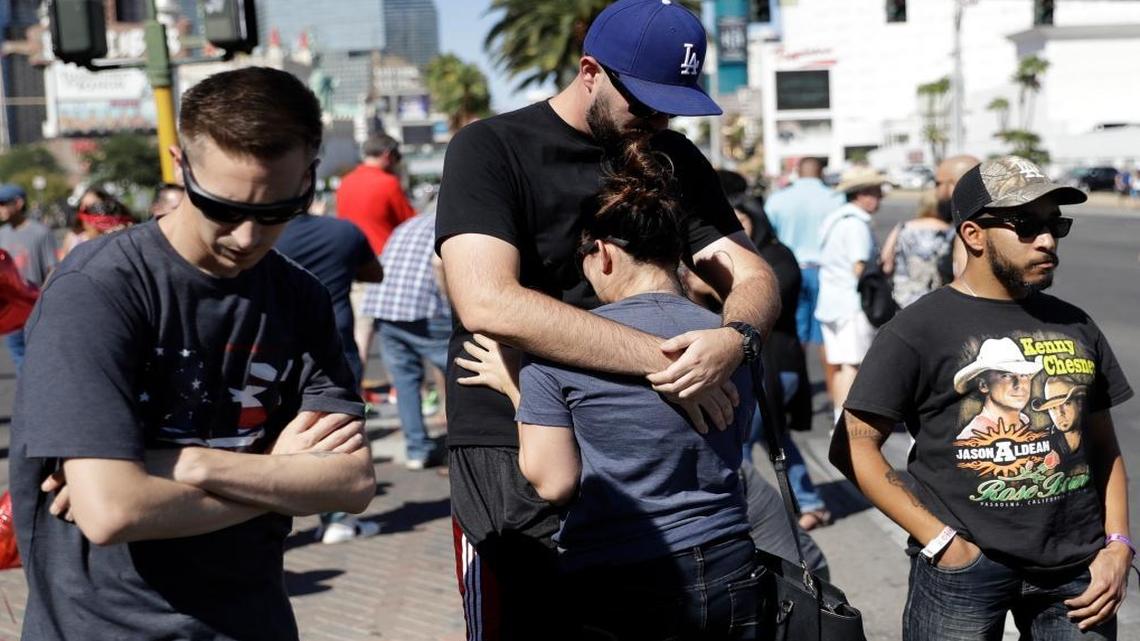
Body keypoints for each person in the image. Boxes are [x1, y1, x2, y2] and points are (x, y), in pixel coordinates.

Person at [435, 1, 780, 637]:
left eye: (672, 104)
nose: (659, 121)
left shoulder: (671, 156)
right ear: (591, 71)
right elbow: (487, 301)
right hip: (512, 437)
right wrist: (670, 361)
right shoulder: (491, 148)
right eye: (644, 105)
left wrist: (737, 339)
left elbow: (752, 275)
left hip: (638, 443)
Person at [10, 66, 376, 640]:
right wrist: (282, 480)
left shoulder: (297, 295)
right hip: (104, 626)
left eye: (278, 210)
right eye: (224, 208)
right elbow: (112, 512)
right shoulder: (100, 287)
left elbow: (350, 484)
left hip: (253, 620)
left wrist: (192, 465)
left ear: (310, 174)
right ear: (180, 165)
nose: (248, 237)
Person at [454, 141, 763, 638]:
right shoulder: (726, 342)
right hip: (731, 559)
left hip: (623, 576)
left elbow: (552, 481)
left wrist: (516, 389)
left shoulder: (558, 352)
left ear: (602, 254)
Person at [830, 155, 1133, 640]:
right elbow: (854, 443)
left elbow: (1104, 447)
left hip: (1076, 569)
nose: (1047, 240)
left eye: (1055, 224)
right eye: (1026, 225)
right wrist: (943, 543)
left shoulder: (1075, 323)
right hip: (963, 572)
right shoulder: (917, 329)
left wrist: (1118, 546)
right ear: (973, 234)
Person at [716, 170, 830, 531]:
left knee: (746, 441)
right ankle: (810, 503)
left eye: (742, 220)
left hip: (778, 365)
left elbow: (770, 303)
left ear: (755, 218)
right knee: (773, 437)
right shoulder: (732, 259)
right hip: (752, 365)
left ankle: (749, 514)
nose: (735, 228)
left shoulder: (775, 257)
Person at [274, 194, 385, 544]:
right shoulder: (343, 232)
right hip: (334, 340)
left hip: (279, 345)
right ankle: (336, 519)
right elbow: (374, 273)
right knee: (336, 433)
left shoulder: (270, 236)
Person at [362, 204, 450, 470]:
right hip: (422, 310)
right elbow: (439, 265)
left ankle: (416, 450)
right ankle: (470, 443)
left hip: (384, 306)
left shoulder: (407, 225)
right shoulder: (452, 223)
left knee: (405, 382)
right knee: (464, 371)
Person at [765, 157, 844, 402]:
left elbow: (768, 236)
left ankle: (796, 392)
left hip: (790, 270)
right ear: (822, 173)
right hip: (824, 270)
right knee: (826, 336)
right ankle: (835, 395)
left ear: (797, 172)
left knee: (795, 332)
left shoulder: (778, 199)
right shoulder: (835, 199)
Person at [336, 134, 417, 372]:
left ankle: (356, 386)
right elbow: (409, 223)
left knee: (358, 327)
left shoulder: (346, 182)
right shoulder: (388, 183)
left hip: (351, 262)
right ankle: (360, 388)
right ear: (387, 155)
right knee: (392, 331)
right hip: (383, 264)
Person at [815, 166, 889, 422]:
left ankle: (840, 418)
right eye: (877, 192)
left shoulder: (835, 220)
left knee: (839, 366)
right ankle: (848, 422)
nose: (880, 197)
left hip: (830, 302)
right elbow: (860, 268)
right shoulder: (856, 224)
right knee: (852, 364)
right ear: (862, 195)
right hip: (850, 304)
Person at [0, 184, 57, 373]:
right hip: (11, 309)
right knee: (19, 358)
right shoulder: (2, 234)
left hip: (36, 307)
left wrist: (44, 299)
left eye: (3, 204)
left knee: (41, 358)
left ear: (18, 203)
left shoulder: (40, 233)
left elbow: (52, 268)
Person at [952, 337, 1042, 439]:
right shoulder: (973, 438)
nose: (1019, 384)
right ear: (983, 385)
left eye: (1023, 375)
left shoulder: (1023, 422)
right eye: (1007, 376)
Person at [880, 189, 954, 308]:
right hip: (938, 300)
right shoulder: (950, 232)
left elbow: (886, 264)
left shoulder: (903, 228)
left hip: (903, 299)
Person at [935, 154, 982, 279]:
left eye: (938, 184)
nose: (936, 192)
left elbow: (967, 286)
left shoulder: (969, 230)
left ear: (954, 184)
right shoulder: (983, 220)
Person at [60, 188, 136, 258]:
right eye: (82, 205)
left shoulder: (115, 233)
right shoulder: (73, 237)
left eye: (91, 206)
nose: (83, 209)